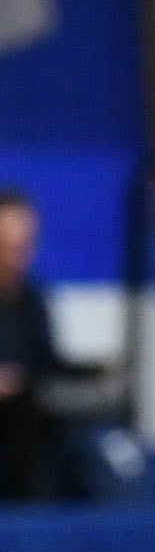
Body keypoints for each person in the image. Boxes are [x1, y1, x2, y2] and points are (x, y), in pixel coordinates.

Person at [0, 188, 61, 501]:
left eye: (22, 248)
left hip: (24, 417)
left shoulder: (32, 300)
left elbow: (45, 361)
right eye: (5, 247)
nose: (15, 258)